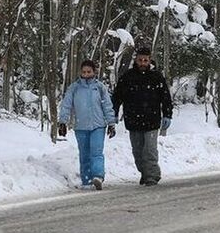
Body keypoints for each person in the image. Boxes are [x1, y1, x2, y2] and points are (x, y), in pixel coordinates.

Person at [113, 47, 174, 186]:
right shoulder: (128, 77)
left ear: (149, 60)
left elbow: (165, 97)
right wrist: (114, 112)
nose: (142, 62)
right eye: (140, 60)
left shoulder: (156, 77)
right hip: (133, 120)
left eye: (145, 60)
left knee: (150, 150)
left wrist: (167, 114)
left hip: (152, 120)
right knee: (137, 151)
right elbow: (117, 96)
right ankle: (144, 172)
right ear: (136, 59)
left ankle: (152, 175)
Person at [57, 59, 116, 190]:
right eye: (84, 72)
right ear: (80, 72)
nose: (86, 74)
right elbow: (66, 105)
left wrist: (111, 123)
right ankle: (86, 180)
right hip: (81, 126)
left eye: (89, 72)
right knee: (84, 154)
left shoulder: (99, 87)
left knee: (96, 152)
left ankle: (98, 176)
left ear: (94, 72)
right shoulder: (74, 88)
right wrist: (62, 122)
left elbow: (107, 105)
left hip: (98, 125)